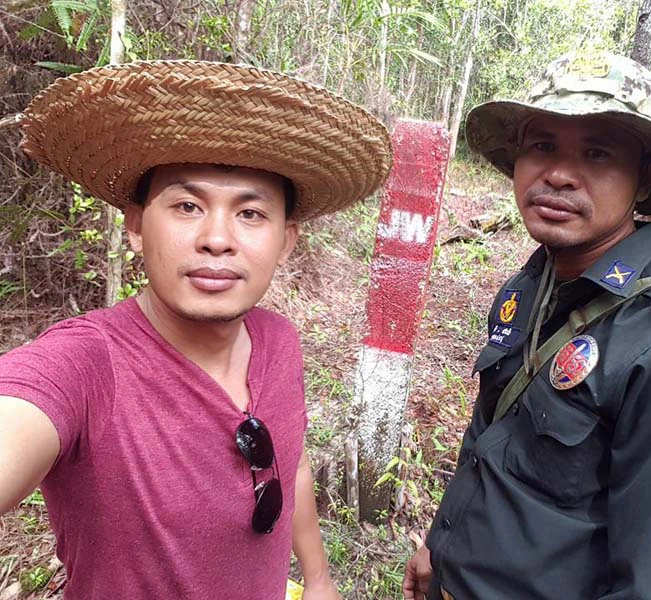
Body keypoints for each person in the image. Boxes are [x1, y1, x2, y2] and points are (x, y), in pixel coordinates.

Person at [0, 60, 392, 599]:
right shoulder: (86, 365)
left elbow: (289, 463)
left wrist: (319, 579)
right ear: (136, 226)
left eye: (251, 214)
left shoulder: (280, 341)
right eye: (187, 206)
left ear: (286, 241)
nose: (216, 239)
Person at [402, 50, 651, 599]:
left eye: (596, 153)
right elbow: (491, 431)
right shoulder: (532, 284)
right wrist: (441, 546)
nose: (558, 174)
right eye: (542, 146)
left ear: (644, 181)